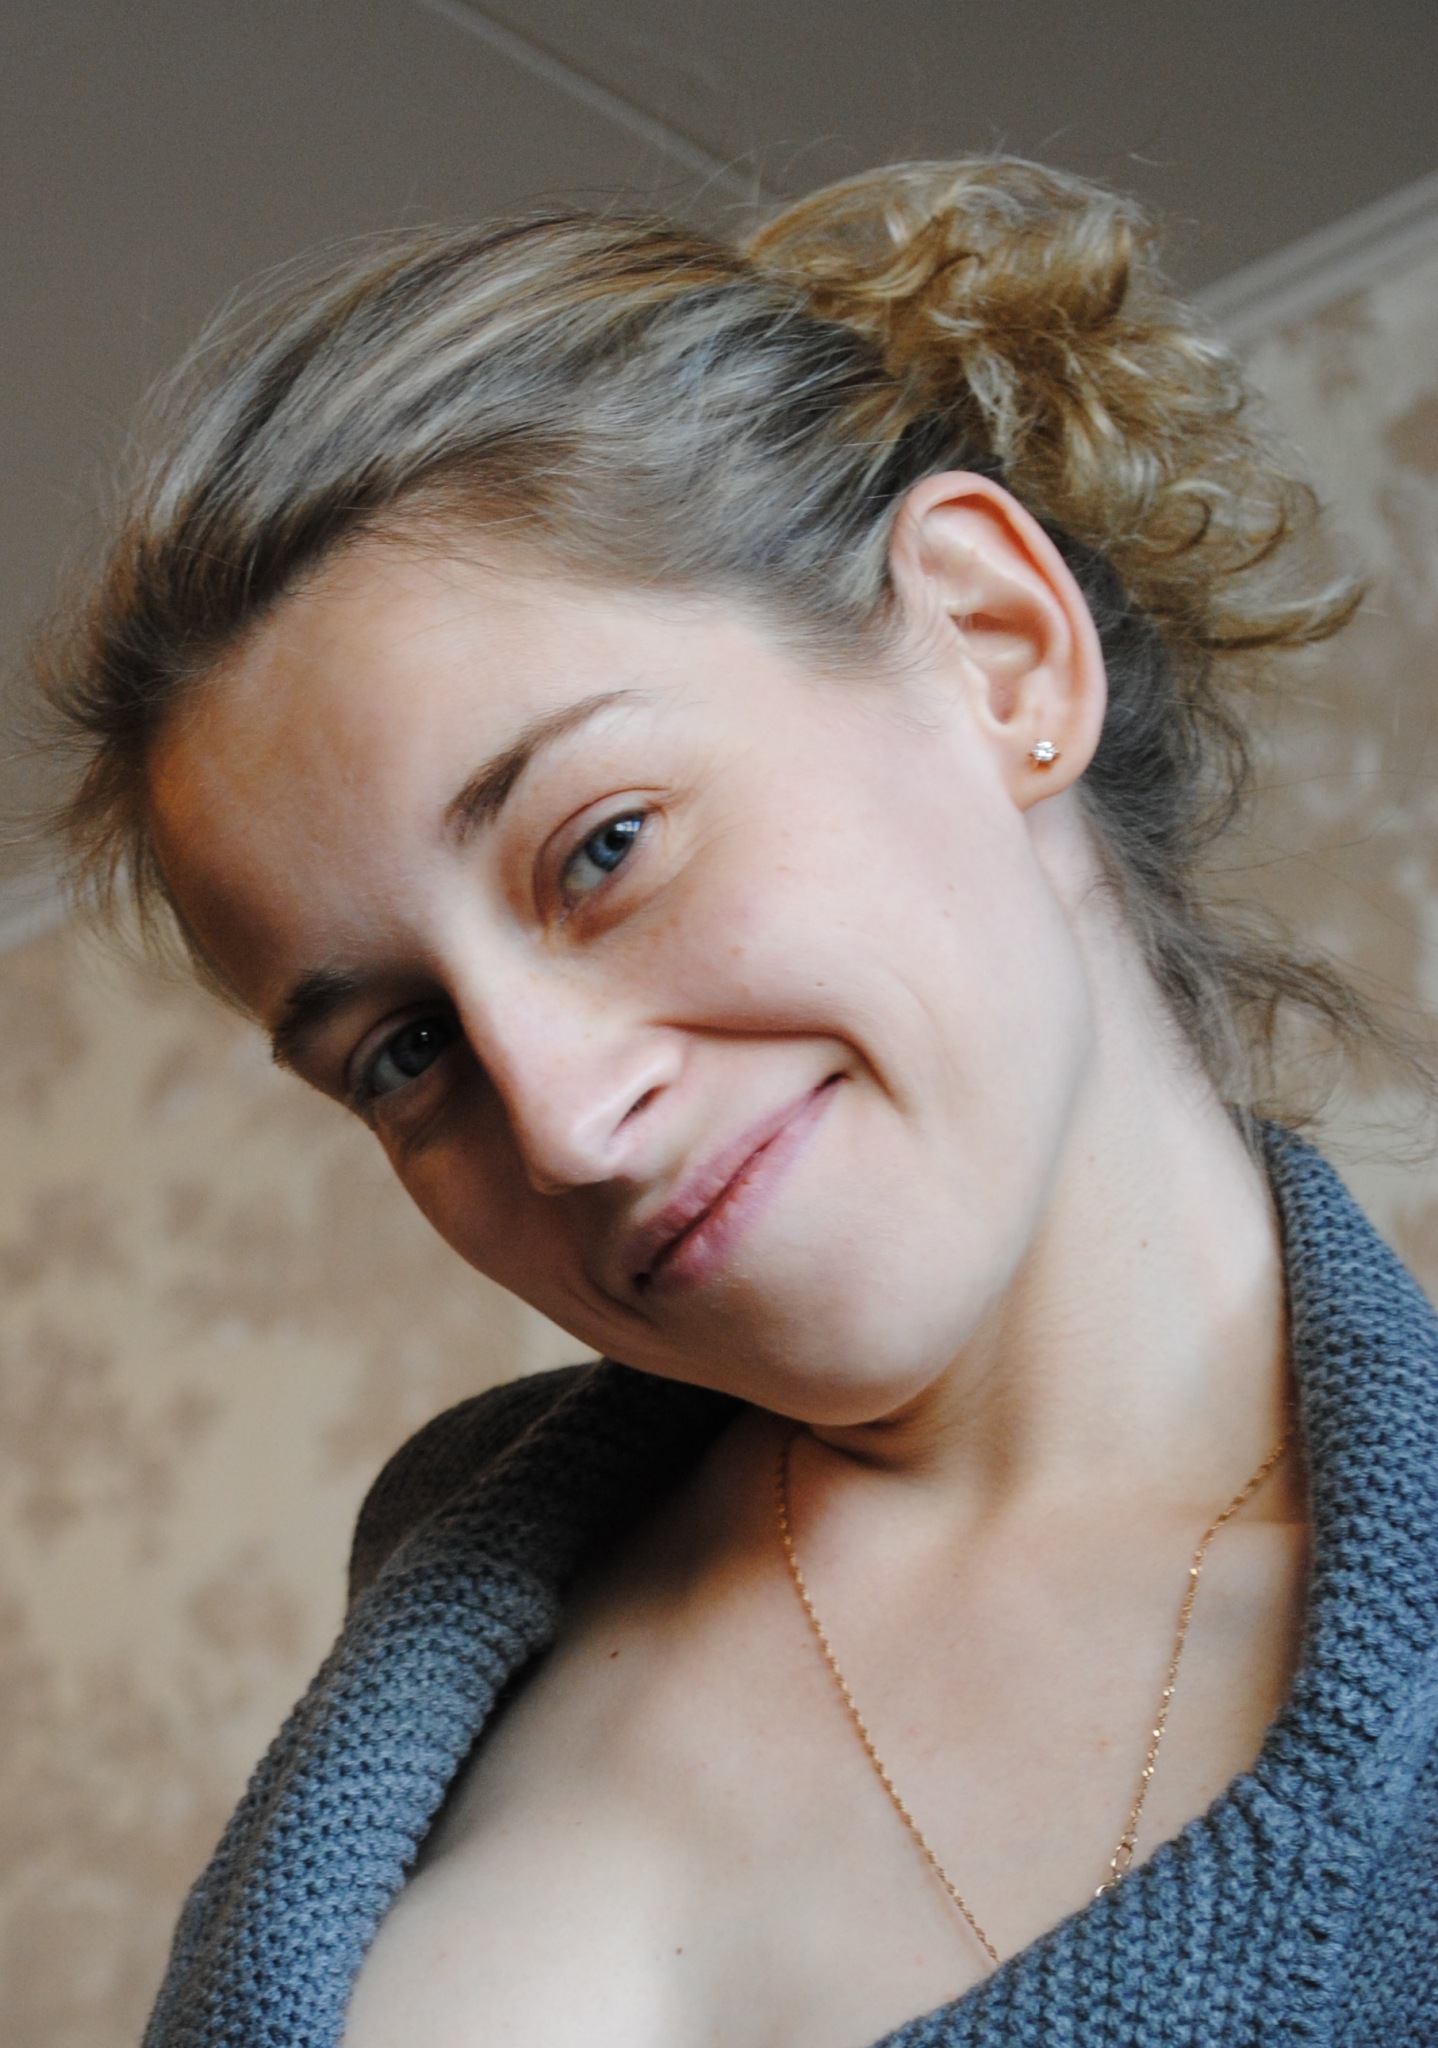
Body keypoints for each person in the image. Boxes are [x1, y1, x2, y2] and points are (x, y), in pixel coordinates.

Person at [36, 158, 1438, 2047]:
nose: (564, 1125)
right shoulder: (451, 1573)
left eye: (602, 847)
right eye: (404, 1051)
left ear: (992, 646)